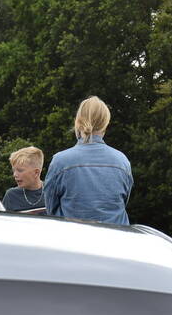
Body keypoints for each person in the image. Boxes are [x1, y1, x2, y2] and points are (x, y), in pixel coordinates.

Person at [43, 96, 133, 225]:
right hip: (116, 239)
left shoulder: (60, 161)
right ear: (105, 123)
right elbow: (122, 201)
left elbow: (51, 208)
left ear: (78, 121)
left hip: (72, 240)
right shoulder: (122, 161)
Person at [2, 146, 45, 212]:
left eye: (20, 170)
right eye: (14, 170)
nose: (15, 175)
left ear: (36, 172)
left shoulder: (51, 192)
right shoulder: (11, 196)